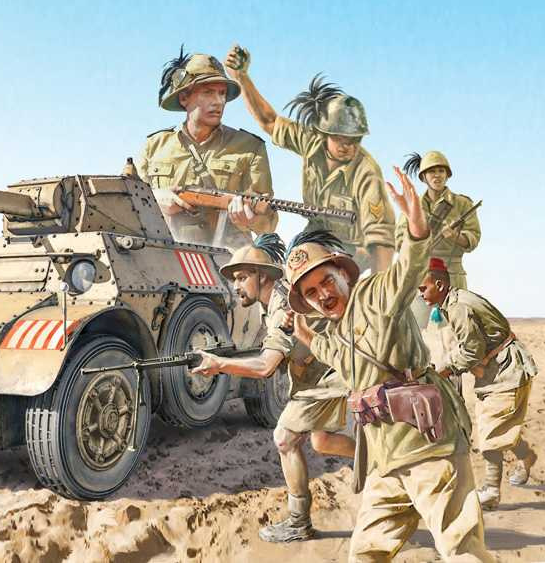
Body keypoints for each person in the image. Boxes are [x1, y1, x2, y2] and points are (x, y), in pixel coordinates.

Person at [284, 167, 491, 562]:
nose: (322, 295)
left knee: (462, 550)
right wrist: (308, 338)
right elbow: (337, 356)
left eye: (325, 281)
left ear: (343, 273)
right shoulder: (338, 330)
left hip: (428, 447)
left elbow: (407, 270)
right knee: (365, 554)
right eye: (310, 293)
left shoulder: (375, 294)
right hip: (385, 460)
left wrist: (415, 230)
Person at [191, 233, 354, 542]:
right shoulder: (276, 298)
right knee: (321, 442)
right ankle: (379, 460)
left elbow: (266, 367)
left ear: (262, 276)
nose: (235, 285)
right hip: (323, 373)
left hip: (327, 377)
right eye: (234, 279)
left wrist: (219, 364)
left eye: (242, 277)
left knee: (284, 438)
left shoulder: (282, 305)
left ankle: (298, 522)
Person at [223, 45, 394, 272]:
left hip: (353, 249)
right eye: (341, 138)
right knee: (291, 265)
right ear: (324, 134)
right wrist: (241, 78)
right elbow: (269, 121)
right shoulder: (311, 142)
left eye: (355, 140)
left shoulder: (366, 172)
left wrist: (379, 287)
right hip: (315, 237)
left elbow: (381, 241)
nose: (348, 146)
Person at [420, 257, 539, 510]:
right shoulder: (453, 302)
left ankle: (491, 491)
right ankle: (527, 456)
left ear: (439, 285)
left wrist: (441, 370)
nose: (420, 294)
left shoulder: (458, 307)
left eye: (423, 288)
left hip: (505, 373)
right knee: (500, 428)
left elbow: (471, 351)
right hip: (500, 371)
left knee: (489, 434)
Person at [133, 47, 278, 248]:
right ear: (184, 98)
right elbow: (126, 200)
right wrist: (156, 199)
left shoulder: (250, 147)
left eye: (222, 93)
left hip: (227, 260)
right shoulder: (155, 146)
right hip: (167, 255)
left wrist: (250, 220)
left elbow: (269, 221)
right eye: (208, 92)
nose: (218, 102)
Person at [397, 151, 481, 289]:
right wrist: (418, 239)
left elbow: (474, 237)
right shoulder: (413, 206)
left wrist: (456, 236)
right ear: (423, 177)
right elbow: (399, 241)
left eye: (441, 171)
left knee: (455, 304)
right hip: (420, 275)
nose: (437, 175)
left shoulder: (462, 204)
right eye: (432, 171)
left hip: (452, 275)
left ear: (447, 175)